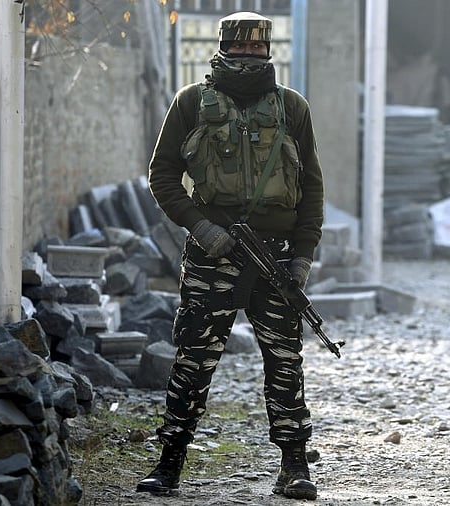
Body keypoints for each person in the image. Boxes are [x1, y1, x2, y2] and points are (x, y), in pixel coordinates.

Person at [137, 11, 324, 500]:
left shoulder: (292, 108)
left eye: (254, 49)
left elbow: (312, 192)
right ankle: (169, 463)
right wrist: (202, 228)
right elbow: (161, 177)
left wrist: (302, 258)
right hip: (212, 255)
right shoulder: (190, 103)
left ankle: (294, 466)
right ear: (222, 47)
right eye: (237, 49)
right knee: (194, 358)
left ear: (268, 51)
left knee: (285, 361)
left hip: (276, 258)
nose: (246, 58)